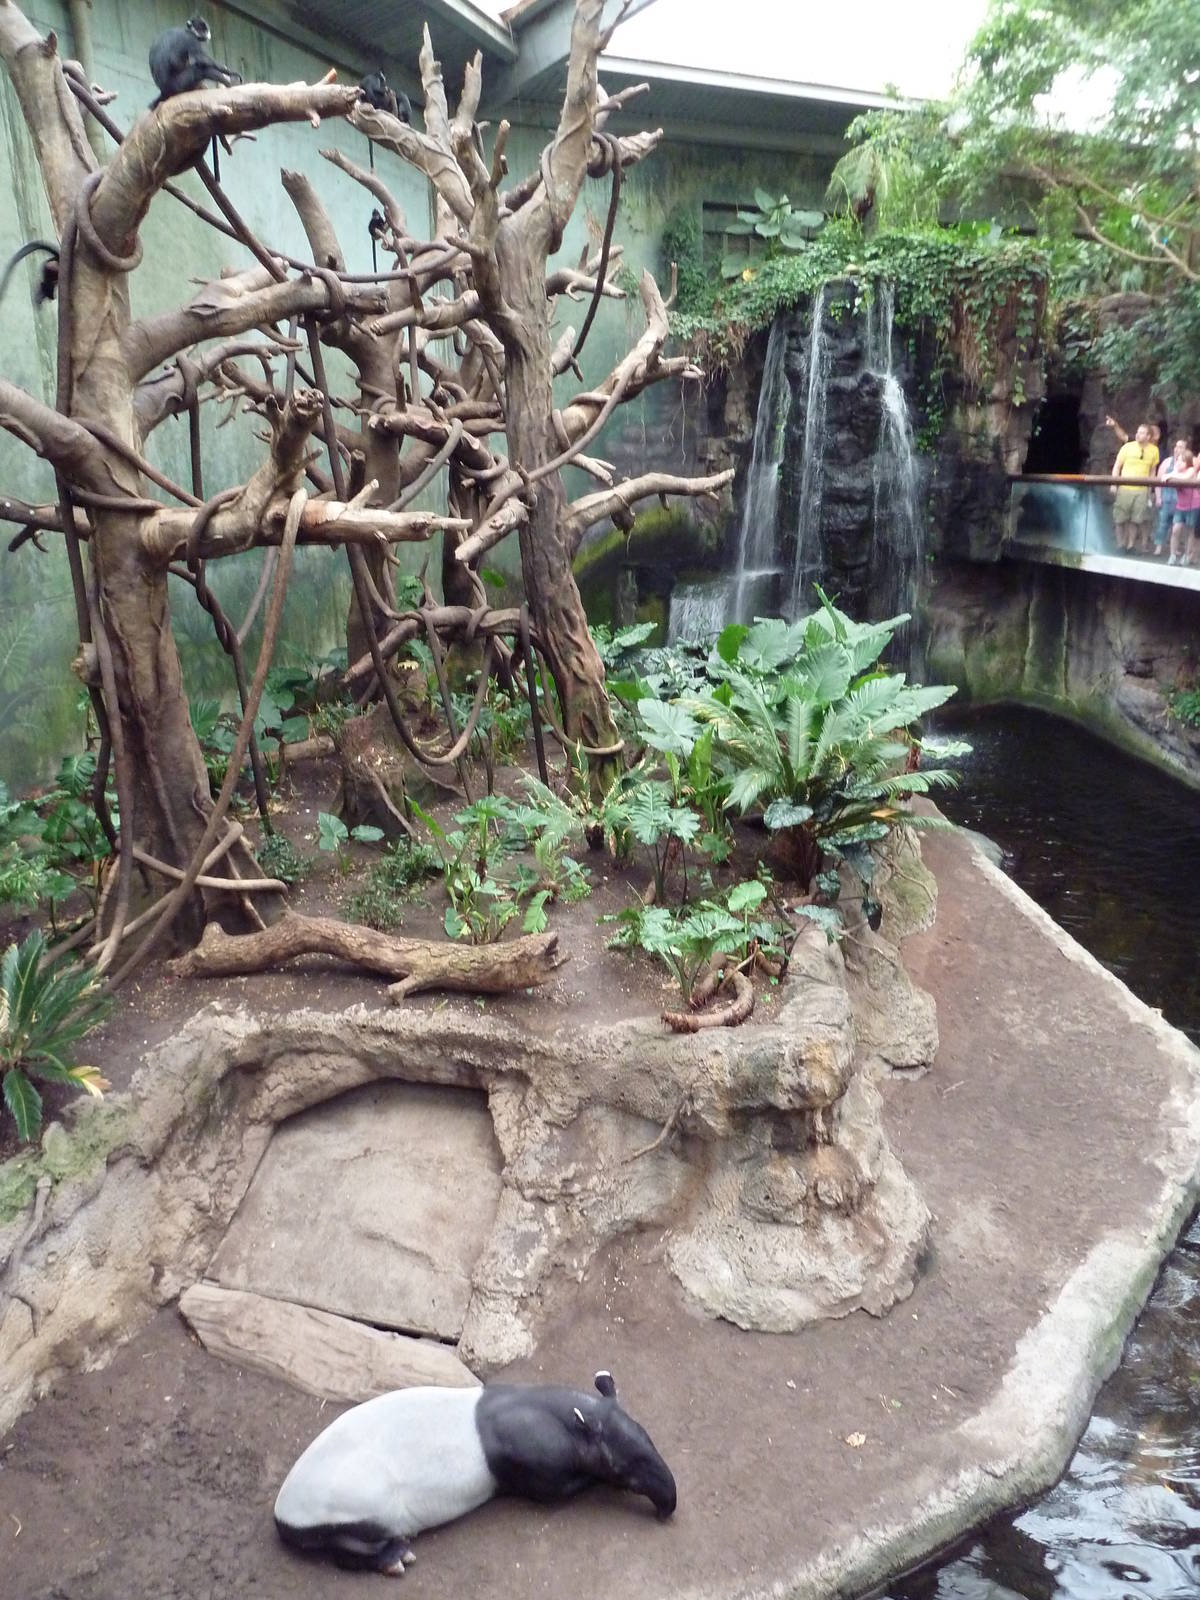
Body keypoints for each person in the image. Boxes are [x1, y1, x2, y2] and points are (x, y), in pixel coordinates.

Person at [1110, 422, 1159, 553]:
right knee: (1120, 518)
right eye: (1138, 432)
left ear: (1149, 436)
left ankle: (1130, 545)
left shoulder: (1154, 450)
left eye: (1142, 432)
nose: (1138, 434)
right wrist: (1114, 483)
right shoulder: (1127, 447)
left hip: (1142, 491)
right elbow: (1117, 466)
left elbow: (1152, 472)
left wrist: (1149, 490)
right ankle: (1121, 545)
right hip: (1125, 488)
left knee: (1135, 520)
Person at [1166, 444, 1199, 566]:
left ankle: (1187, 555)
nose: (1179, 463)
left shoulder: (1190, 470)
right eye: (1178, 460)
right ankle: (1172, 555)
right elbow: (1165, 476)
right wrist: (1171, 474)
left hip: (1193, 505)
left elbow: (1184, 478)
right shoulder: (1176, 471)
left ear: (1188, 462)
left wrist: (1170, 475)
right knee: (1175, 530)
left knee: (1190, 531)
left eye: (1182, 461)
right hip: (1180, 506)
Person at [1153, 441, 1186, 558]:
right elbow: (1158, 480)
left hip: (1180, 499)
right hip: (1166, 498)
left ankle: (1174, 549)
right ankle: (1158, 547)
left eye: (1181, 447)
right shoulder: (1167, 462)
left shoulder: (1188, 464)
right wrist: (1158, 497)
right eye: (1176, 446)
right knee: (1162, 523)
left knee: (1176, 526)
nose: (1177, 449)